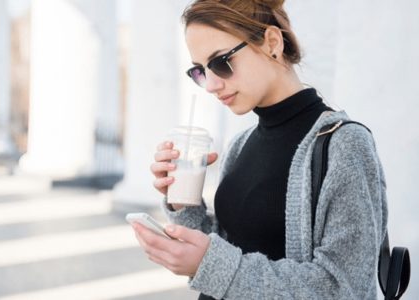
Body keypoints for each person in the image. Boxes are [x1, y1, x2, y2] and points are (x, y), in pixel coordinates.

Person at [130, 0, 388, 299]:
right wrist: (182, 203)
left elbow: (342, 287)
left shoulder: (344, 144)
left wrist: (209, 264)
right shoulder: (241, 144)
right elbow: (230, 245)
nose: (212, 84)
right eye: (199, 71)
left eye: (220, 62)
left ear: (272, 43)